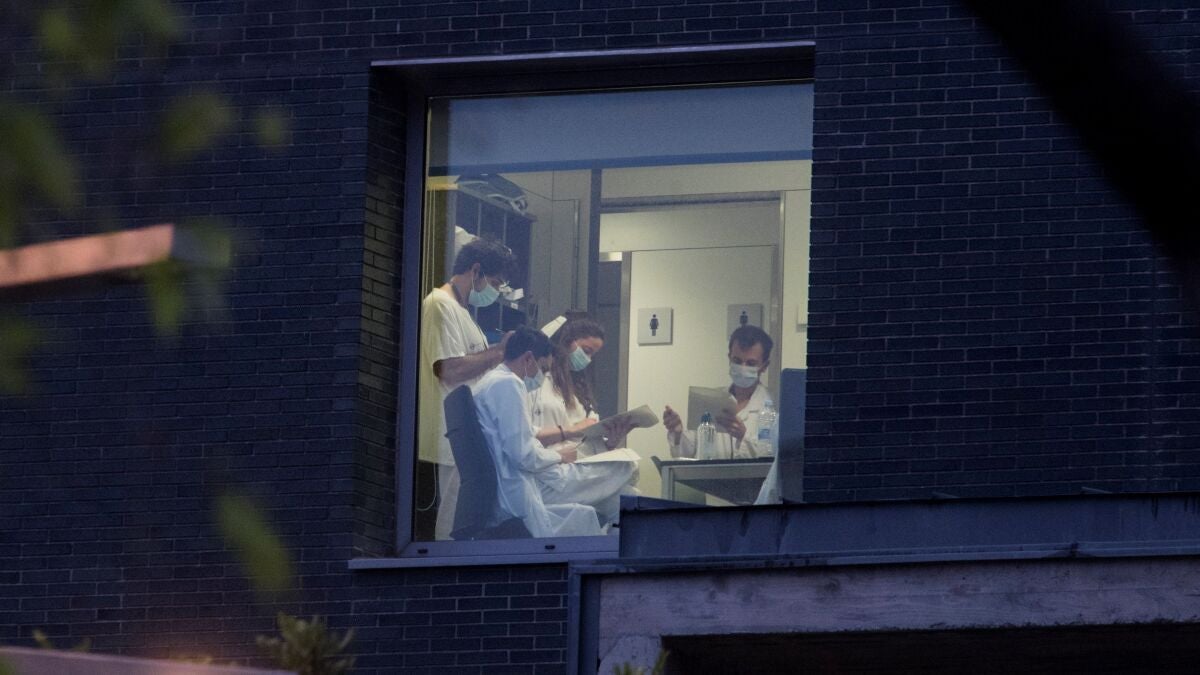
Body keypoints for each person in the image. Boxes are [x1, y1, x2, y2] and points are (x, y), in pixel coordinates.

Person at [472, 327, 636, 535]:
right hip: (527, 483)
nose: (541, 376)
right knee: (626, 466)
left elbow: (524, 433)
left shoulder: (489, 382)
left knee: (623, 495)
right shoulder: (509, 384)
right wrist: (559, 456)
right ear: (528, 359)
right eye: (542, 368)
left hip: (524, 478)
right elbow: (523, 455)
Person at [418, 238, 517, 540]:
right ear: (475, 271)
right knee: (450, 532)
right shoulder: (439, 305)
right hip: (447, 438)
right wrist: (500, 352)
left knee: (464, 527)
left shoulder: (464, 314)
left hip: (466, 438)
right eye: (495, 283)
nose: (495, 292)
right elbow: (449, 369)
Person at [662, 325, 775, 459]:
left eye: (751, 363)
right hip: (710, 472)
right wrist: (677, 433)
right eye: (737, 361)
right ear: (729, 358)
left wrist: (743, 436)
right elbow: (690, 452)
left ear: (764, 366)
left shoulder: (773, 406)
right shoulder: (711, 400)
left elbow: (772, 456)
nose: (743, 368)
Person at [529, 315, 632, 456]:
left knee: (628, 462)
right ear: (567, 341)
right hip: (549, 458)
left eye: (592, 355)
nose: (588, 359)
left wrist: (610, 443)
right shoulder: (535, 383)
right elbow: (527, 436)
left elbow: (586, 440)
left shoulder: (579, 388)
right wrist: (572, 430)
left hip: (578, 458)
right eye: (586, 351)